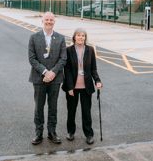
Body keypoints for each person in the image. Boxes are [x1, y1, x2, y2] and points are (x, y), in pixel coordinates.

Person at [28, 12, 67, 145]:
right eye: (47, 19)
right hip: (39, 79)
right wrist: (45, 72)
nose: (49, 22)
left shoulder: (61, 38)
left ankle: (52, 133)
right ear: (42, 21)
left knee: (53, 107)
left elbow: (63, 59)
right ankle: (38, 133)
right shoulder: (34, 37)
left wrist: (53, 73)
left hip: (55, 79)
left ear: (54, 22)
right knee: (39, 107)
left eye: (51, 20)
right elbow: (32, 58)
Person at [62, 28, 102, 145]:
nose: (81, 38)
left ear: (85, 38)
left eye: (83, 36)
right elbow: (67, 70)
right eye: (79, 35)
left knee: (86, 112)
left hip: (86, 87)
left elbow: (93, 69)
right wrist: (69, 87)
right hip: (72, 87)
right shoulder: (68, 50)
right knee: (71, 111)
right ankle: (70, 132)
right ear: (74, 37)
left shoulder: (90, 50)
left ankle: (89, 134)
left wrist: (97, 80)